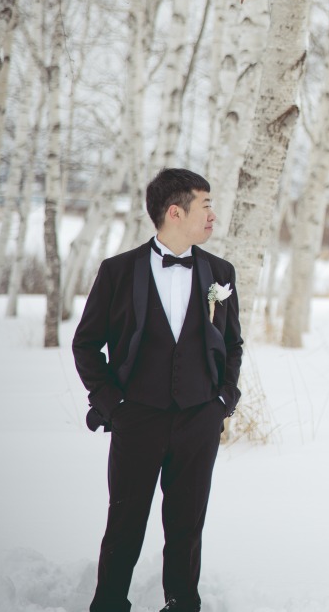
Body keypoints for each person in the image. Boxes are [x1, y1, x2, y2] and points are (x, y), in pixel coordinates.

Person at [72, 168, 243, 612]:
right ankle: (109, 603)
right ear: (174, 211)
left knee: (187, 526)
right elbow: (86, 345)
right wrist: (113, 404)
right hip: (137, 418)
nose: (212, 214)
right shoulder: (118, 271)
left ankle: (183, 603)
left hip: (198, 419)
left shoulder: (220, 273)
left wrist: (223, 401)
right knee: (125, 521)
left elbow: (232, 345)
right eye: (205, 204)